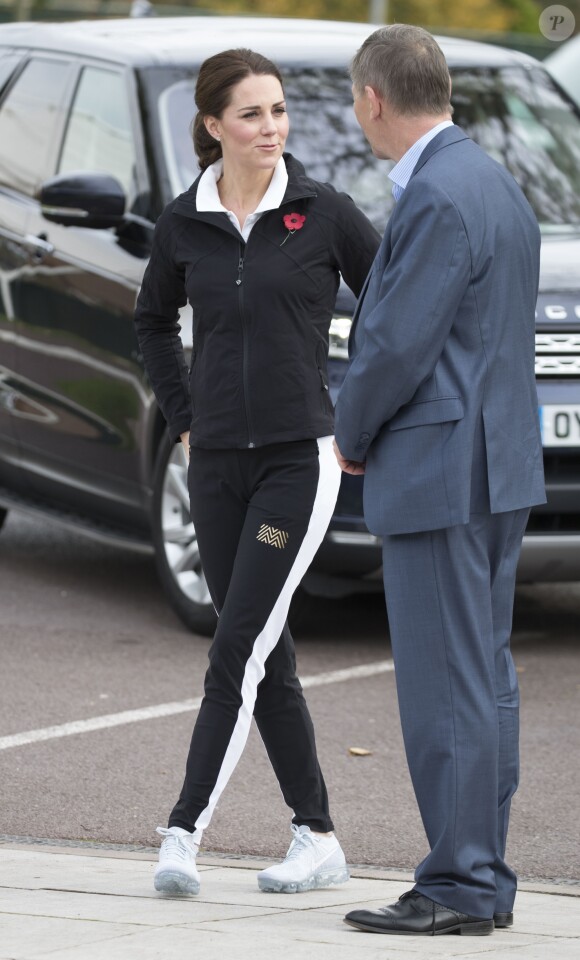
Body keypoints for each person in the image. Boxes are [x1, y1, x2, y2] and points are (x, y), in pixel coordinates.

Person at [134, 48, 380, 897]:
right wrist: (188, 414)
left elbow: (390, 305)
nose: (272, 127)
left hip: (297, 462)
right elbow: (153, 322)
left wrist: (363, 411)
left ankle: (181, 834)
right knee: (265, 650)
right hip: (216, 465)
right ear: (213, 127)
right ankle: (317, 836)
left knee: (234, 645)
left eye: (278, 111)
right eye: (252, 114)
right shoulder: (184, 222)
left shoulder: (321, 212)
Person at [333, 25, 546, 936]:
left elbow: (393, 343)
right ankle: (481, 879)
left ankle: (458, 886)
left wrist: (349, 430)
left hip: (439, 467)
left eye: (355, 100)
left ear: (374, 100)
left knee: (444, 684)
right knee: (484, 677)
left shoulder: (434, 196)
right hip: (496, 462)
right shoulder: (495, 181)